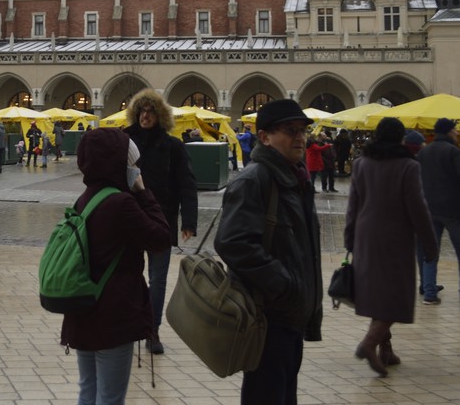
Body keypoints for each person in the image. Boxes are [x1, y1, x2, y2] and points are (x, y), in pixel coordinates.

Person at [215, 98, 323, 405]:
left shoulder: (293, 177)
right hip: (269, 316)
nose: (300, 137)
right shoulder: (257, 179)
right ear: (264, 137)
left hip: (290, 315)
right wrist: (284, 285)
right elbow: (232, 242)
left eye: (303, 130)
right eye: (290, 130)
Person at [59, 128, 171, 405]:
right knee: (110, 397)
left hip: (82, 310)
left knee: (88, 390)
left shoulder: (85, 199)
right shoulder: (120, 203)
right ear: (117, 163)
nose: (135, 168)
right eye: (131, 162)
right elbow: (160, 237)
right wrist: (143, 192)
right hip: (113, 315)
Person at [344, 116, 438, 377]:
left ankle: (386, 350)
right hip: (396, 237)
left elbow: (353, 204)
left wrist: (349, 237)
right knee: (396, 294)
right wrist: (430, 243)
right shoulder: (408, 165)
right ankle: (369, 343)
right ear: (401, 139)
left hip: (366, 235)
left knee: (377, 292)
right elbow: (417, 207)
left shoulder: (362, 163)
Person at [124, 88, 197, 355]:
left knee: (158, 279)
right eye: (141, 111)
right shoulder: (124, 140)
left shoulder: (173, 146)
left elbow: (187, 185)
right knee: (128, 275)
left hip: (161, 219)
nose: (145, 116)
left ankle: (152, 330)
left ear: (159, 115)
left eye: (150, 111)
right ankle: (130, 325)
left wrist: (189, 221)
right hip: (129, 218)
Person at [419, 117, 460, 304]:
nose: (457, 133)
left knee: (431, 252)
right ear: (448, 131)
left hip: (430, 207)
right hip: (453, 209)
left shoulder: (424, 152)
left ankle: (430, 293)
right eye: (455, 130)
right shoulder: (453, 151)